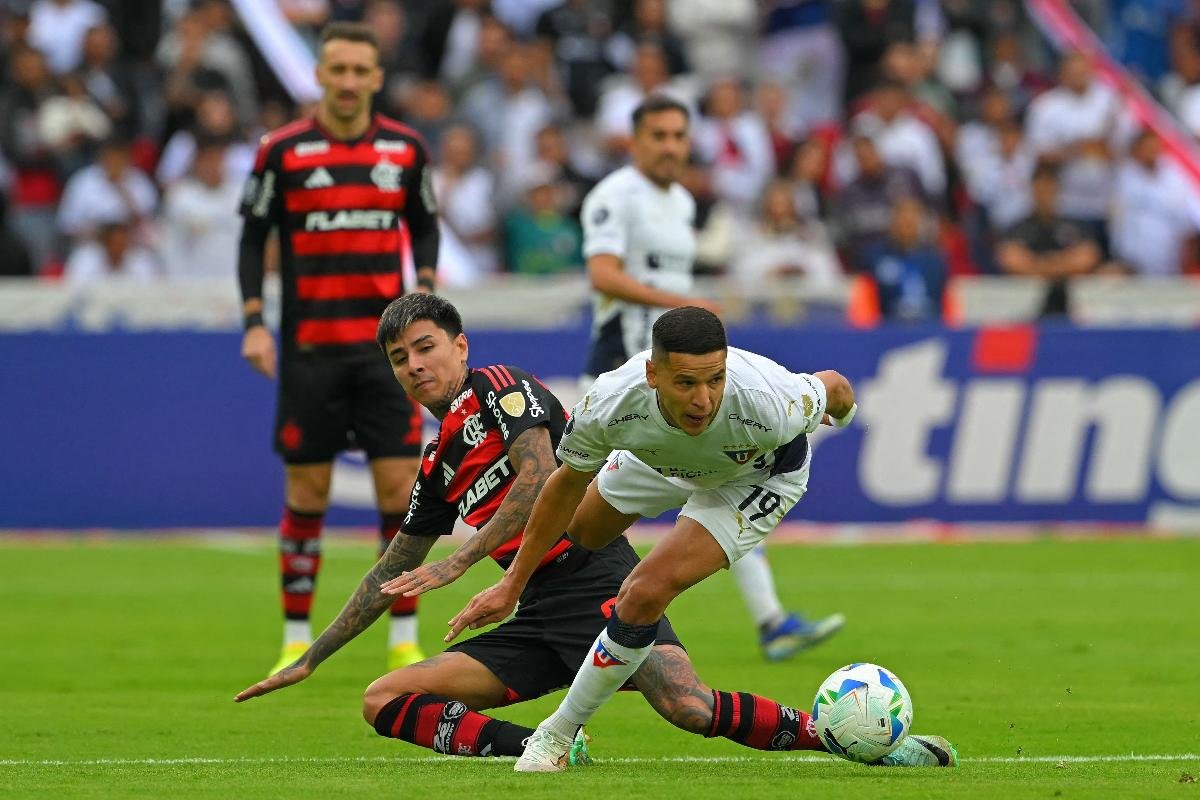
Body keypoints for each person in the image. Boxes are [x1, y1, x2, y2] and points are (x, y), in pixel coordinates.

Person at [234, 294, 957, 771]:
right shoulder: (438, 461)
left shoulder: (498, 391)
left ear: (459, 345)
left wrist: (467, 564)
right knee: (383, 699)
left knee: (687, 705)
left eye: (426, 347)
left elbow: (537, 477)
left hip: (589, 580)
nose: (416, 366)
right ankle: (555, 748)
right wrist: (314, 657)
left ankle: (852, 741)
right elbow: (390, 568)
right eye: (400, 359)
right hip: (534, 612)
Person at [446, 306, 957, 772]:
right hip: (660, 460)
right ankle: (584, 637)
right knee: (579, 534)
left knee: (643, 591)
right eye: (686, 382)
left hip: (755, 478)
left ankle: (556, 736)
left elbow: (837, 387)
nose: (703, 399)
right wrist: (514, 583)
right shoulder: (610, 401)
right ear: (652, 375)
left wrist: (841, 416)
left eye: (715, 380)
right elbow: (564, 486)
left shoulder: (771, 401)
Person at [582, 94, 843, 660]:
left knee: (728, 476)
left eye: (680, 136)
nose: (671, 146)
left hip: (683, 381)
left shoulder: (679, 202)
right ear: (635, 141)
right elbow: (602, 274)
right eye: (659, 136)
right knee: (587, 517)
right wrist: (678, 302)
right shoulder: (615, 196)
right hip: (632, 370)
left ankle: (768, 618)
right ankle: (583, 610)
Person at [237, 22, 439, 676]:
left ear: (377, 78)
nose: (349, 82)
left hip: (386, 358)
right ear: (319, 76)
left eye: (361, 70)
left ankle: (402, 636)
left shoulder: (406, 150)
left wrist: (428, 293)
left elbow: (425, 224)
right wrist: (253, 320)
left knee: (399, 496)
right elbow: (251, 238)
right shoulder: (281, 152)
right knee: (308, 494)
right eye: (338, 70)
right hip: (309, 352)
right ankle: (296, 634)